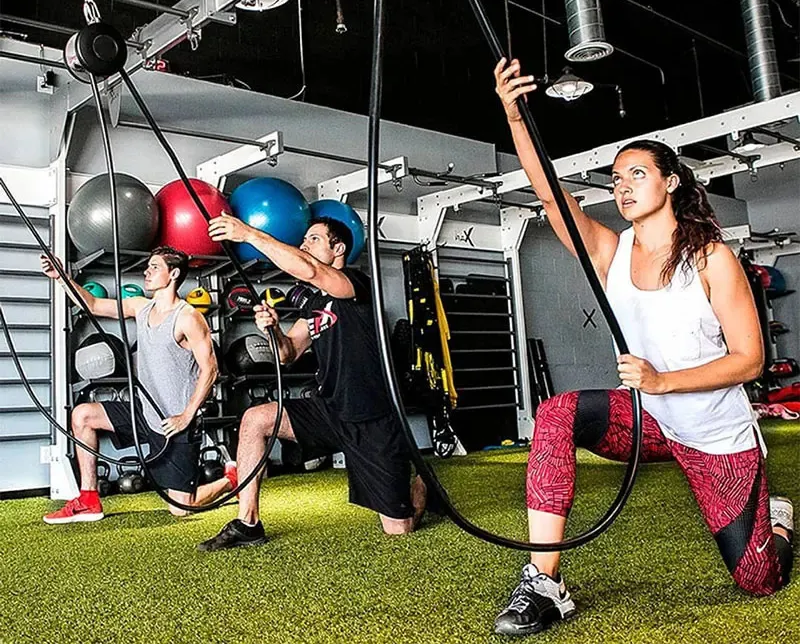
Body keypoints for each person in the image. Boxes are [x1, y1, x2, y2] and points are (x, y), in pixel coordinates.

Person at [491, 58, 794, 636]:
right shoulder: (611, 251)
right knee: (556, 415)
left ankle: (775, 519)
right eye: (615, 178)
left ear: (671, 181)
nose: (621, 186)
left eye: (636, 174)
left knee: (759, 579)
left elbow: (750, 361)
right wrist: (514, 113)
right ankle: (544, 582)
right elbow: (554, 199)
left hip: (714, 434)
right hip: (647, 421)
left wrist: (661, 381)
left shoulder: (711, 257)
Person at [197, 214, 426, 551]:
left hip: (371, 417)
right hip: (329, 409)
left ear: (339, 248)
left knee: (400, 529)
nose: (304, 245)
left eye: (313, 239)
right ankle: (248, 523)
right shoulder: (315, 305)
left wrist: (247, 234)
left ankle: (422, 486)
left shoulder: (357, 285)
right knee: (255, 419)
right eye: (304, 240)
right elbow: (288, 353)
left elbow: (311, 270)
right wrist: (273, 329)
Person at [41, 246, 230, 523]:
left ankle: (231, 479)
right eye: (148, 267)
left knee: (181, 508)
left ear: (174, 273)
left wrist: (187, 415)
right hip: (143, 412)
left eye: (155, 267)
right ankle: (89, 499)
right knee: (82, 415)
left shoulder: (188, 317)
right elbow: (92, 305)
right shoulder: (141, 306)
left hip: (175, 424)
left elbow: (210, 369)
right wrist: (61, 277)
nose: (147, 272)